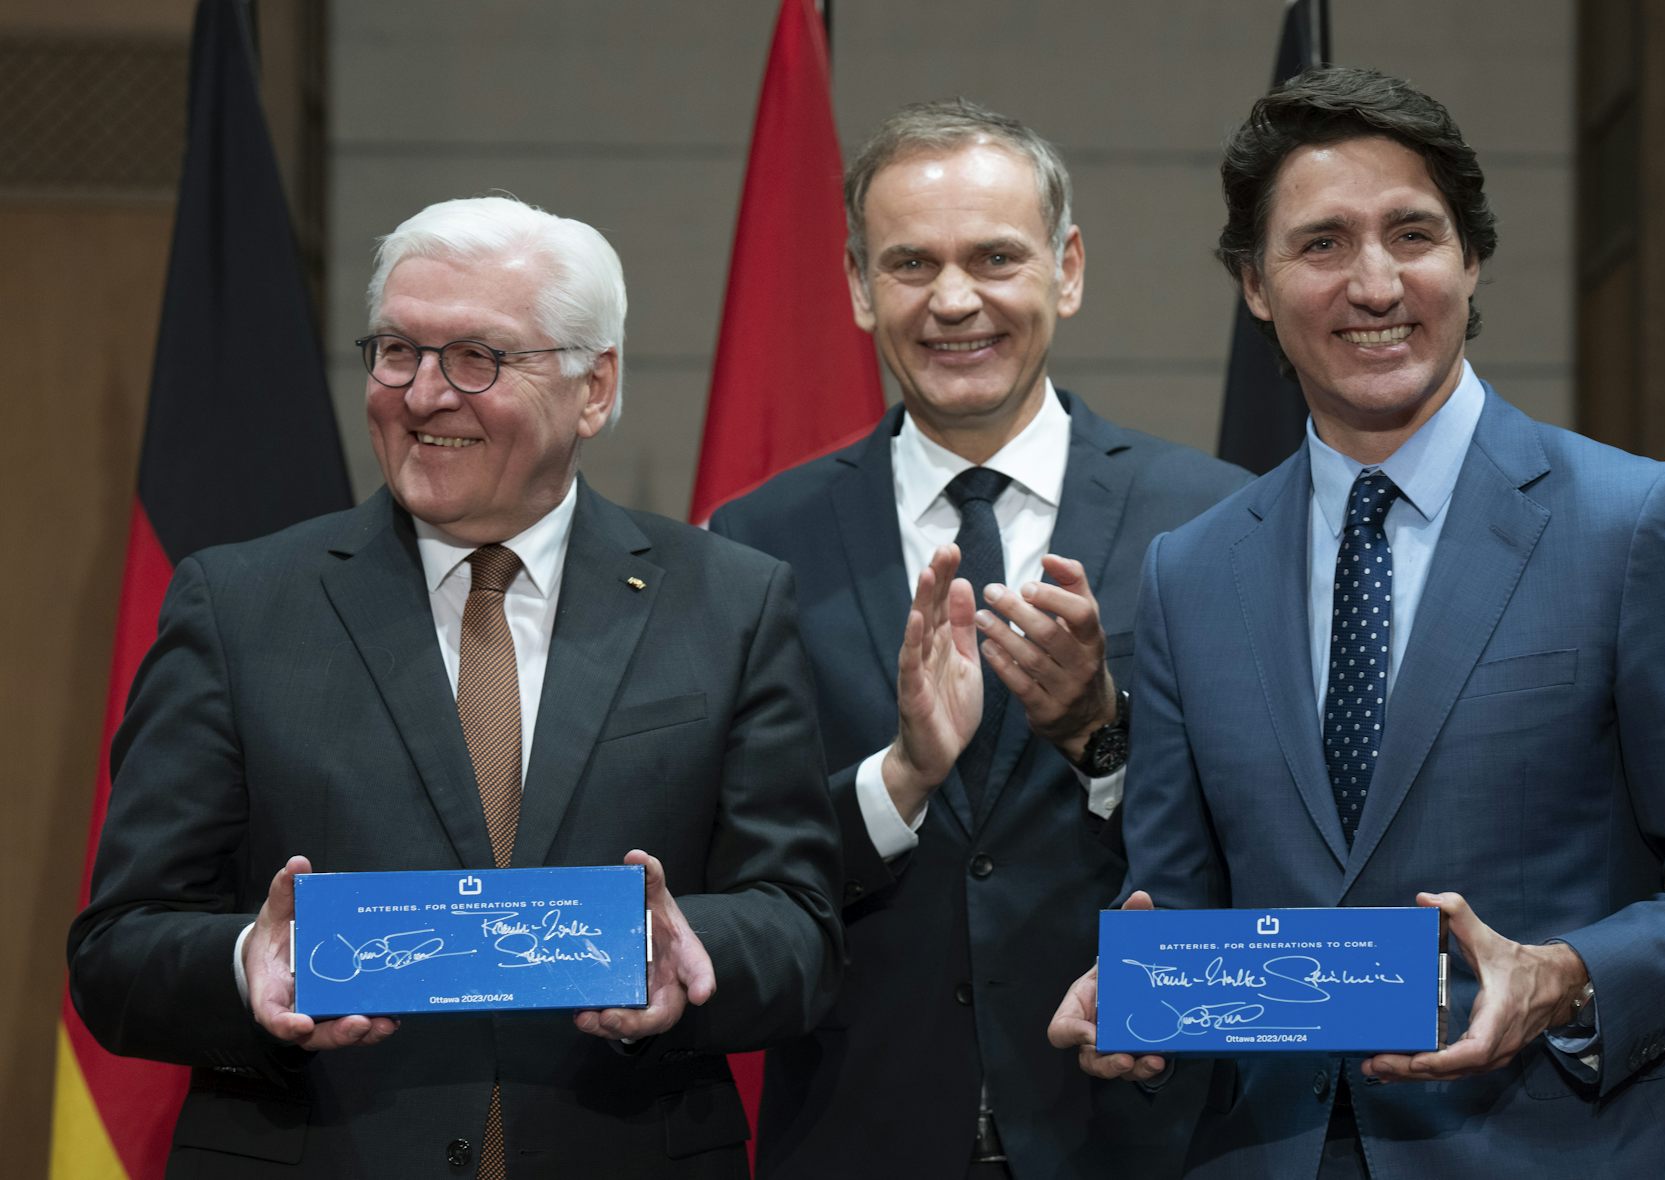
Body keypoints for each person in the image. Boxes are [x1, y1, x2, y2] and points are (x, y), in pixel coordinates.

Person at [1048, 67, 1665, 1178]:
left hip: (1561, 1146)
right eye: (1321, 245)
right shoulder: (1192, 569)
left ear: (1471, 258)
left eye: (1412, 234)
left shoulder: (1635, 522)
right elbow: (1180, 894)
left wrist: (1562, 973)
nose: (1375, 284)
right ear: (1254, 284)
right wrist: (1132, 988)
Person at [67, 195, 842, 1177]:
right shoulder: (238, 605)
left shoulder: (727, 602)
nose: (424, 394)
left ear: (593, 387)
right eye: (397, 351)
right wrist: (240, 966)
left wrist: (689, 949)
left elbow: (800, 925)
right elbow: (117, 948)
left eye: (478, 357)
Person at [711, 100, 1249, 1178]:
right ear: (862, 287)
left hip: (1141, 1133)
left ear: (1068, 269)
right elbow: (735, 865)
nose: (954, 300)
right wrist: (900, 777)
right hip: (861, 1133)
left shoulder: (1217, 520)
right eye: (911, 264)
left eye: (995, 258)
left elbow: (1271, 841)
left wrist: (1103, 740)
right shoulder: (756, 542)